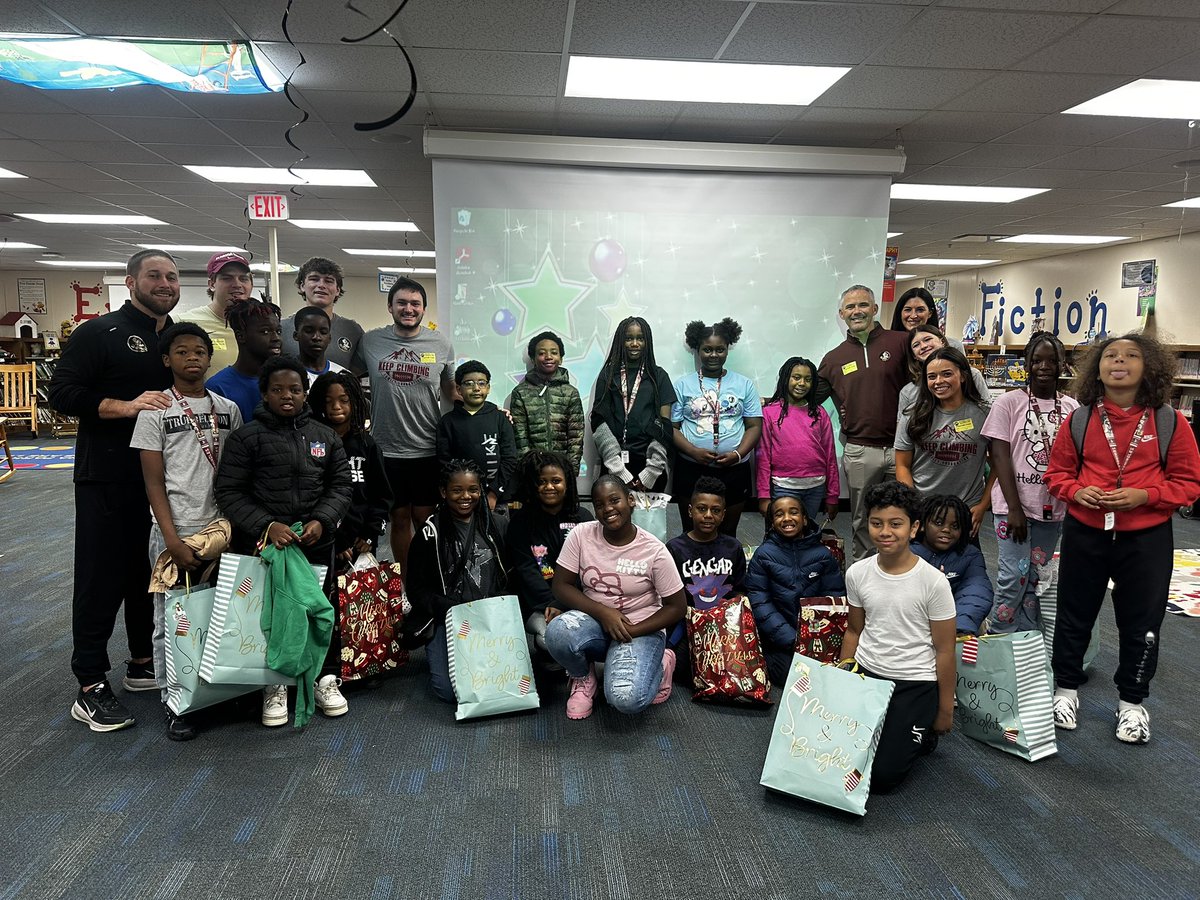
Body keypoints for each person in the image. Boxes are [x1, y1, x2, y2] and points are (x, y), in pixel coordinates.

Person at [1044, 334, 1200, 745]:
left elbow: (1188, 484)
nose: (1119, 362)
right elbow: (1056, 474)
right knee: (1074, 613)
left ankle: (1132, 703)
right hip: (1085, 532)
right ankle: (1065, 691)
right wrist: (1076, 491)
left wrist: (1144, 496)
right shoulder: (1079, 420)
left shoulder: (1169, 421)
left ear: (1148, 367)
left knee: (1142, 623)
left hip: (1146, 537)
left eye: (1131, 356)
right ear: (1097, 367)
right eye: (1110, 355)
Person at [49, 249, 182, 732]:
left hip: (166, 480)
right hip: (107, 475)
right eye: (154, 275)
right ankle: (89, 683)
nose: (165, 282)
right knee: (101, 576)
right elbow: (60, 394)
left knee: (146, 572)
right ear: (131, 282)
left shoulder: (176, 336)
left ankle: (142, 662)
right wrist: (125, 407)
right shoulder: (98, 333)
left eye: (171, 276)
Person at [213, 356, 353, 726]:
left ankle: (324, 677)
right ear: (264, 393)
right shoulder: (247, 438)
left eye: (294, 389)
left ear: (306, 393)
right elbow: (229, 491)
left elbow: (340, 485)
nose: (286, 396)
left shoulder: (324, 436)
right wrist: (266, 525)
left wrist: (323, 520)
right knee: (270, 616)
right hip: (267, 548)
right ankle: (273, 684)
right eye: (277, 389)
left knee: (321, 612)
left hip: (315, 544)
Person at [131, 322, 243, 741]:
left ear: (210, 357)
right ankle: (174, 700)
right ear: (167, 359)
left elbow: (234, 472)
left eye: (200, 351)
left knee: (219, 612)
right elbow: (153, 482)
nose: (192, 357)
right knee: (172, 618)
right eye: (182, 351)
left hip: (222, 527)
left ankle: (217, 690)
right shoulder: (155, 411)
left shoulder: (227, 408)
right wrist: (173, 539)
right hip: (175, 530)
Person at [839, 481, 956, 793]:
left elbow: (945, 650)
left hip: (914, 683)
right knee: (837, 755)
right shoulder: (858, 573)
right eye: (877, 523)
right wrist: (841, 682)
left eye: (896, 524)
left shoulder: (933, 583)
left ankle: (922, 731)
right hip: (867, 675)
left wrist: (945, 710)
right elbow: (854, 630)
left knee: (882, 778)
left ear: (914, 528)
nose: (885, 532)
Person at [544, 475, 687, 719]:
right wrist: (602, 612)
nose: (607, 509)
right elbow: (561, 585)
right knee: (557, 632)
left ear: (630, 501)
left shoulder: (654, 551)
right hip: (597, 624)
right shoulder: (581, 534)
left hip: (640, 629)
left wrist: (632, 631)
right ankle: (583, 678)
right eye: (599, 504)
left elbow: (677, 607)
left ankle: (661, 665)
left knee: (625, 700)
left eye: (614, 500)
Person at [356, 276, 456, 576]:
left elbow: (452, 389)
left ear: (424, 309)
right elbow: (348, 379)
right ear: (390, 306)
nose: (408, 308)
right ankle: (407, 579)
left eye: (415, 303)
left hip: (427, 448)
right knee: (398, 520)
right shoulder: (370, 341)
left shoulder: (440, 343)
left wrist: (487, 409)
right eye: (401, 302)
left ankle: (428, 576)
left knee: (426, 520)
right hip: (386, 450)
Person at [981, 332, 1078, 633]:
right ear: (1026, 364)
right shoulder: (1009, 403)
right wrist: (1014, 508)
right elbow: (999, 455)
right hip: (1012, 505)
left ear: (1063, 364)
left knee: (1037, 576)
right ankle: (998, 635)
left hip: (1052, 508)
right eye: (1037, 360)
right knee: (1014, 574)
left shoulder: (1073, 408)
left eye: (1052, 360)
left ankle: (1025, 638)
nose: (1044, 366)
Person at [818, 285, 910, 563]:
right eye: (850, 307)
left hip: (902, 450)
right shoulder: (833, 359)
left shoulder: (901, 343)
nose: (856, 311)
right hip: (860, 451)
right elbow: (806, 395)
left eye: (862, 305)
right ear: (841, 314)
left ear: (874, 308)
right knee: (862, 519)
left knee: (902, 515)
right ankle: (861, 582)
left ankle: (901, 575)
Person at [405, 460, 509, 703]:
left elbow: (511, 573)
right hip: (449, 619)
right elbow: (416, 590)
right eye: (457, 490)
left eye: (473, 489)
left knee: (502, 680)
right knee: (451, 691)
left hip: (490, 618)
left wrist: (501, 606)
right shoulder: (429, 533)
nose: (466, 496)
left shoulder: (497, 525)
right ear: (443, 492)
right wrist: (448, 608)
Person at [671, 317, 762, 536]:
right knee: (690, 531)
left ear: (727, 349)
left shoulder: (744, 384)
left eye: (720, 349)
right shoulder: (682, 385)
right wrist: (693, 452)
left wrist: (738, 454)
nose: (714, 355)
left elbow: (754, 426)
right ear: (697, 350)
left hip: (734, 469)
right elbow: (672, 428)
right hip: (691, 468)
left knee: (728, 532)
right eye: (707, 349)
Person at [745, 495, 845, 687]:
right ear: (772, 523)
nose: (787, 518)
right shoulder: (763, 555)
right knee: (792, 676)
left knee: (832, 674)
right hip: (780, 639)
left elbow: (835, 597)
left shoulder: (824, 555)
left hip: (817, 635)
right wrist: (793, 640)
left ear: (805, 519)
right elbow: (760, 604)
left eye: (794, 512)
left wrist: (817, 637)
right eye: (779, 514)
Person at [895, 347, 993, 538]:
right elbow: (902, 465)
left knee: (964, 563)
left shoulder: (985, 414)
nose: (938, 381)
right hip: (923, 509)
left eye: (947, 374)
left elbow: (998, 465)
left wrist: (983, 505)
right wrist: (915, 506)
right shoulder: (913, 415)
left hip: (966, 511)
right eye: (932, 376)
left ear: (963, 376)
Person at [506, 449, 594, 658]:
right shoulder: (520, 522)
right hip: (540, 605)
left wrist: (566, 603)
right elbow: (526, 571)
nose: (549, 487)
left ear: (567, 483)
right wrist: (552, 604)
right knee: (550, 639)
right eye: (542, 481)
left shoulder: (583, 517)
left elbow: (591, 565)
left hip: (580, 600)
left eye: (556, 481)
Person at [665, 477, 749, 684]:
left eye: (716, 510)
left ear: (723, 515)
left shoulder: (733, 547)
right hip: (686, 624)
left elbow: (740, 589)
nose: (708, 515)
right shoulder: (675, 548)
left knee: (733, 669)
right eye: (702, 509)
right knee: (684, 672)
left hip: (724, 625)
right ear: (690, 511)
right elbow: (667, 597)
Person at [308, 371, 392, 565]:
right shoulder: (314, 442)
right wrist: (336, 541)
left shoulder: (367, 445)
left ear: (354, 402)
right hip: (324, 542)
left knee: (361, 595)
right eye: (329, 401)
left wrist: (370, 534)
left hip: (361, 544)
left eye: (344, 400)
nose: (336, 407)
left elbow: (382, 496)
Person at [590, 316, 676, 491]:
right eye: (629, 338)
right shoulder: (608, 375)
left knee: (647, 519)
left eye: (640, 338)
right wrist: (619, 470)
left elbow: (665, 426)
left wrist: (651, 472)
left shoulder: (659, 376)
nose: (635, 343)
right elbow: (598, 422)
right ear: (621, 341)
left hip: (650, 467)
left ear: (647, 341)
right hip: (613, 465)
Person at [756, 356, 839, 524]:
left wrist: (833, 495)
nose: (802, 383)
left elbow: (830, 455)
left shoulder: (820, 413)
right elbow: (763, 456)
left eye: (808, 379)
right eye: (796, 377)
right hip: (783, 487)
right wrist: (763, 495)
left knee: (808, 533)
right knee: (780, 532)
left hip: (815, 487)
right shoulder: (770, 413)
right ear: (786, 378)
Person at [436, 360, 518, 511]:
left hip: (496, 500)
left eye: (481, 383)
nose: (476, 388)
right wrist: (459, 493)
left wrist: (493, 494)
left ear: (488, 388)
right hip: (461, 500)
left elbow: (510, 459)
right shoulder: (447, 423)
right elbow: (444, 463)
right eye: (469, 383)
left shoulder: (500, 419)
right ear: (459, 389)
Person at [911, 494, 993, 635]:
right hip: (911, 624)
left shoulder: (970, 555)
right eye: (938, 523)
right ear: (922, 525)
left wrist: (959, 628)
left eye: (955, 526)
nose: (947, 530)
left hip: (955, 625)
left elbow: (976, 591)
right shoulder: (906, 552)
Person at [510, 330, 585, 476]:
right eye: (542, 353)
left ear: (561, 358)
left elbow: (576, 438)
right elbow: (520, 439)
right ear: (533, 358)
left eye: (554, 352)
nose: (548, 357)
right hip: (533, 472)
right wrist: (528, 470)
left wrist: (570, 471)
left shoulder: (571, 393)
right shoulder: (520, 393)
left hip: (562, 471)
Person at [280, 257, 365, 375]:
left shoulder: (352, 330)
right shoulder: (282, 328)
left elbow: (357, 375)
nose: (321, 285)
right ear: (302, 286)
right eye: (314, 279)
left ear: (337, 290)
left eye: (329, 281)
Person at [206, 299, 282, 423]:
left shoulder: (285, 381)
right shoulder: (218, 387)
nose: (276, 338)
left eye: (278, 331)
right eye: (265, 332)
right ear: (241, 336)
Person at [177, 251, 253, 373]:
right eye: (227, 278)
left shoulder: (260, 326)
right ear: (212, 283)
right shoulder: (183, 322)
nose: (237, 284)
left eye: (243, 278)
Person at [898, 324, 990, 422]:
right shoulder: (908, 392)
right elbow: (903, 428)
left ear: (942, 341)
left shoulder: (972, 375)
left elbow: (988, 412)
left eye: (927, 339)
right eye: (916, 345)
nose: (923, 346)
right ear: (914, 355)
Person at [888, 286, 965, 352]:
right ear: (900, 312)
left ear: (930, 313)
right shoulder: (889, 345)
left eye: (920, 310)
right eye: (908, 310)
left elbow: (964, 369)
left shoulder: (953, 346)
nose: (913, 315)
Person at [293, 307, 347, 379]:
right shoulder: (286, 374)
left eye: (323, 332)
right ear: (296, 335)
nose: (317, 337)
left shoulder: (342, 375)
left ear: (329, 338)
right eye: (309, 331)